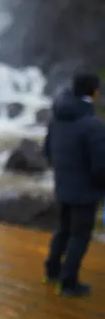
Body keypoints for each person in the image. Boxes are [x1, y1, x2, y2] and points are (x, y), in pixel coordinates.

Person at [42, 72, 105, 297]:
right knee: (80, 236)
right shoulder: (94, 126)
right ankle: (69, 283)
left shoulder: (57, 118)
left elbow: (47, 152)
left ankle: (51, 271)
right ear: (94, 92)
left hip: (63, 186)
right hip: (85, 192)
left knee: (63, 230)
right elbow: (100, 166)